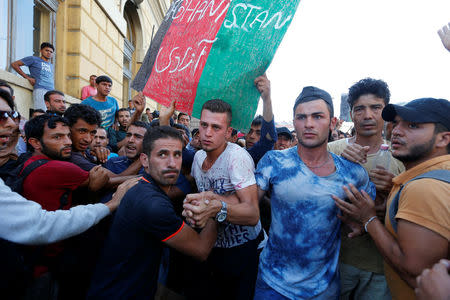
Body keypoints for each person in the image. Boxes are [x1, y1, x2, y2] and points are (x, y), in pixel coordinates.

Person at [254, 86, 375, 299]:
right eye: (301, 117)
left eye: (317, 116)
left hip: (323, 289)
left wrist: (362, 225)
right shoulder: (274, 162)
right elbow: (247, 207)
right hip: (273, 284)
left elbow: (372, 212)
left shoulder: (353, 173)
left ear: (333, 122)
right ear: (294, 122)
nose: (308, 124)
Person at [334, 97, 450, 300]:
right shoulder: (426, 178)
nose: (396, 131)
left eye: (413, 125)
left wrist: (368, 218)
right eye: (396, 123)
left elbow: (412, 269)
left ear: (443, 139)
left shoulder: (425, 187)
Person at [88, 126, 218, 299]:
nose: (172, 163)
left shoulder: (144, 186)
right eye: (162, 154)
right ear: (145, 160)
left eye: (177, 154)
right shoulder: (152, 204)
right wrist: (218, 207)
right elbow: (201, 250)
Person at [328, 78, 404, 300]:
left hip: (380, 267)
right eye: (360, 109)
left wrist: (393, 192)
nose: (368, 115)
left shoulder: (402, 157)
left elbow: (413, 215)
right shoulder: (332, 150)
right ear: (351, 114)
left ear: (386, 112)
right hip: (334, 261)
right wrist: (338, 165)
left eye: (376, 108)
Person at [182, 99, 260, 300]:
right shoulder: (199, 157)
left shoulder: (236, 158)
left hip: (243, 251)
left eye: (216, 127)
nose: (207, 133)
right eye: (204, 125)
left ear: (228, 132)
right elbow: (197, 189)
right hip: (213, 247)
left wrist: (215, 207)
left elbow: (252, 214)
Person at [11, 42, 55, 110]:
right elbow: (14, 64)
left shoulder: (51, 65)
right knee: (41, 112)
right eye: (46, 50)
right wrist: (27, 77)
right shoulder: (33, 59)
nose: (49, 53)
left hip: (51, 91)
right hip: (40, 89)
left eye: (51, 52)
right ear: (41, 50)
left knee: (51, 115)